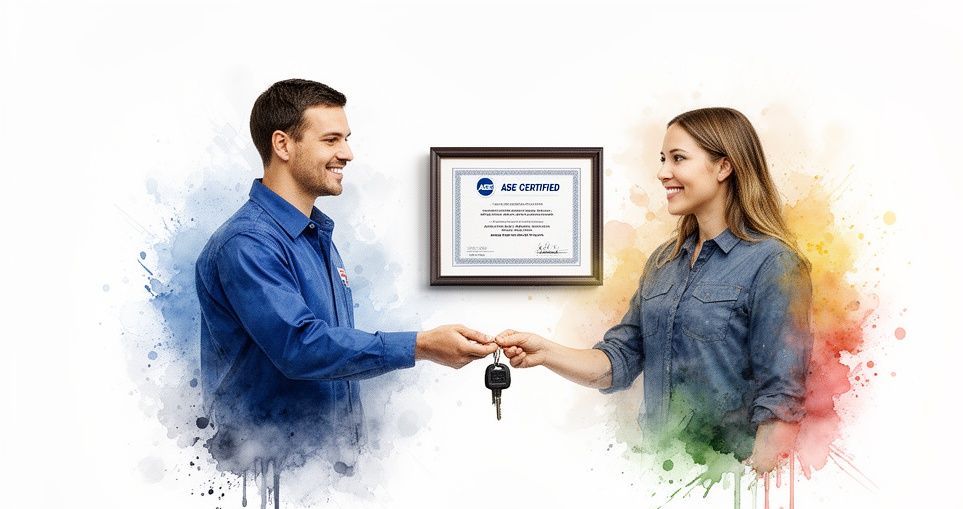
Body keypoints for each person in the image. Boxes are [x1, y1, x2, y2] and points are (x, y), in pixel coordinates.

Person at [195, 79, 497, 477]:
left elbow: (334, 358)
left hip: (323, 475)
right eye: (332, 140)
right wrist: (422, 345)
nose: (348, 154)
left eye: (347, 139)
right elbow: (300, 347)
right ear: (283, 145)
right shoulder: (247, 244)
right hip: (266, 482)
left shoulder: (315, 238)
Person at [496, 108, 812, 475]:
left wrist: (752, 489)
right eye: (663, 159)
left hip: (725, 482)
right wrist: (544, 351)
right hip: (658, 475)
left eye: (678, 158)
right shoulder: (663, 261)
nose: (663, 173)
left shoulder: (775, 264)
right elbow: (616, 364)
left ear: (723, 168)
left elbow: (782, 400)